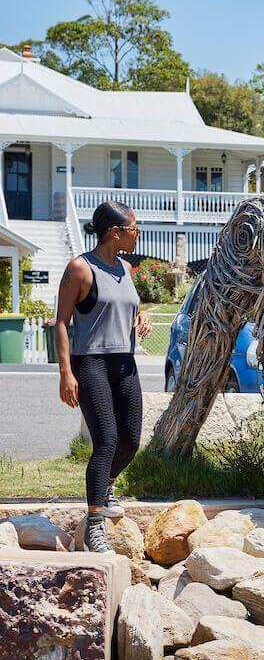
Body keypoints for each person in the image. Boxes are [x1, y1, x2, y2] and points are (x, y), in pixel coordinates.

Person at [55, 201, 151, 553]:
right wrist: (66, 372)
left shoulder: (126, 268)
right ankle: (94, 527)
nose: (137, 235)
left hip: (123, 361)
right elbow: (62, 323)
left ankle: (106, 484)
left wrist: (141, 320)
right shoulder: (79, 269)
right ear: (115, 232)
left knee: (131, 439)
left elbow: (129, 306)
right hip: (90, 361)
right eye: (134, 229)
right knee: (107, 440)